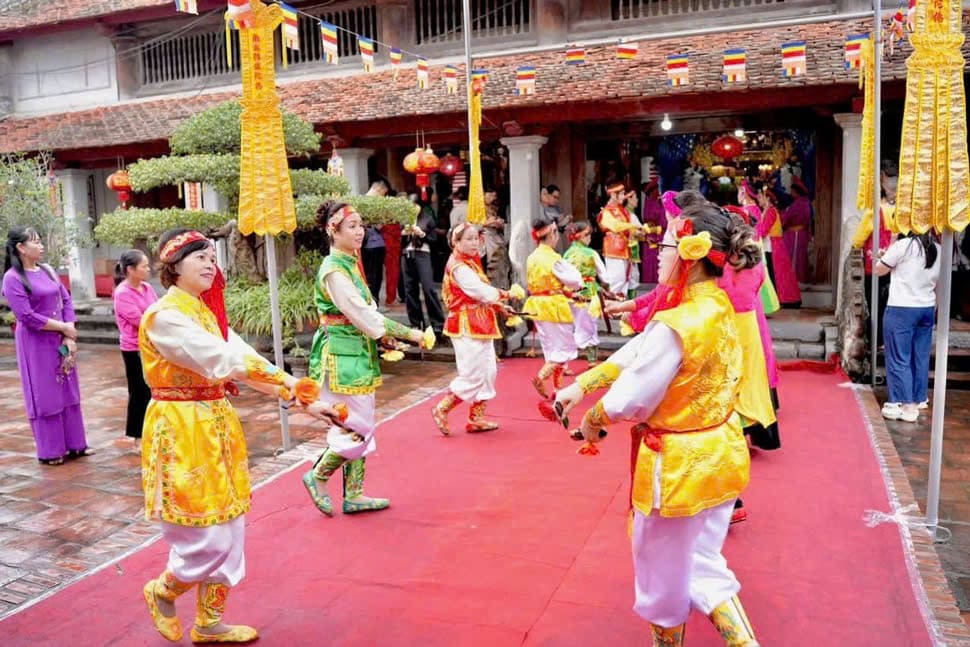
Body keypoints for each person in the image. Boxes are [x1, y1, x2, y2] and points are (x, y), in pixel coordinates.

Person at [554, 200, 762, 646]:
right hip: (721, 455)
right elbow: (640, 354)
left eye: (666, 244)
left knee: (662, 580)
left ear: (689, 251)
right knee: (704, 563)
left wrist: (592, 419)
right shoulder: (716, 305)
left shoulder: (677, 321)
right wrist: (583, 385)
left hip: (677, 470)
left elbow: (633, 394)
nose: (659, 254)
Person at [139, 228, 311, 644]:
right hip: (181, 429)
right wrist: (287, 380)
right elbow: (223, 359)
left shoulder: (206, 313)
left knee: (230, 530)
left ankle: (209, 623)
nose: (209, 263)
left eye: (212, 256)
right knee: (205, 535)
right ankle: (163, 589)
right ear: (173, 267)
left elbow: (245, 359)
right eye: (198, 256)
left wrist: (297, 394)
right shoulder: (165, 317)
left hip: (216, 424)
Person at [303, 201, 434, 516]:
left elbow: (366, 316)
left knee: (356, 420)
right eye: (352, 226)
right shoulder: (335, 270)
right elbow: (364, 315)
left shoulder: (348, 264)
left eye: (361, 225)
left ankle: (354, 494)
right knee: (357, 424)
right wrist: (413, 334)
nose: (360, 231)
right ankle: (318, 474)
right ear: (332, 231)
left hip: (353, 350)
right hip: (342, 355)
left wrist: (383, 335)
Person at [2, 227, 91, 466]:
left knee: (68, 388)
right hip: (37, 342)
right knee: (46, 393)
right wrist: (62, 328)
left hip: (61, 337)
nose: (41, 246)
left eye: (40, 241)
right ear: (21, 248)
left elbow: (67, 300)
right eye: (35, 242)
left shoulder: (48, 270)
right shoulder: (12, 278)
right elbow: (27, 316)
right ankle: (51, 450)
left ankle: (76, 444)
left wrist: (69, 334)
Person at [432, 223, 512, 434]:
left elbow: (481, 294)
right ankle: (442, 408)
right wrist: (505, 295)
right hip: (466, 323)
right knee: (473, 373)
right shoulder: (458, 266)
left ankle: (476, 417)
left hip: (480, 321)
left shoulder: (471, 263)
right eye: (468, 239)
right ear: (455, 242)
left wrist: (499, 306)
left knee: (488, 371)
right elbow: (479, 291)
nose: (474, 242)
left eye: (476, 238)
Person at [876, 232, 941, 422]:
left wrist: (892, 244)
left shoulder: (903, 245)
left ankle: (905, 404)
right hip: (926, 306)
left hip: (902, 307)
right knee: (920, 356)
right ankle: (919, 397)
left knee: (898, 356)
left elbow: (880, 270)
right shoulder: (939, 249)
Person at [522, 213, 583, 399]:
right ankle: (541, 377)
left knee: (552, 349)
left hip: (538, 306)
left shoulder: (532, 257)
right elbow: (575, 280)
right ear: (553, 234)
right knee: (563, 349)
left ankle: (558, 389)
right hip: (554, 306)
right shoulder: (553, 258)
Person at [112, 249, 158, 442]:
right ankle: (138, 436)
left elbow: (158, 309)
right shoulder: (122, 293)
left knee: (153, 390)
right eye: (144, 266)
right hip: (134, 349)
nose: (148, 269)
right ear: (130, 270)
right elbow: (139, 320)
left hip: (152, 345)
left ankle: (153, 432)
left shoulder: (147, 288)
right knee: (139, 391)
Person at [563, 222, 610, 366]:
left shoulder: (566, 254)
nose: (590, 237)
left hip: (569, 293)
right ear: (580, 236)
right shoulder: (591, 253)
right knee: (590, 326)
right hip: (588, 291)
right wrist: (605, 288)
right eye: (587, 234)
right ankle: (592, 360)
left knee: (570, 326)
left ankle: (564, 364)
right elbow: (605, 277)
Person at [402, 192, 446, 336]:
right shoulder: (404, 220)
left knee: (428, 288)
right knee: (410, 289)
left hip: (423, 254)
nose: (413, 208)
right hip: (407, 254)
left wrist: (422, 234)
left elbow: (435, 240)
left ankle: (438, 322)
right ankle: (416, 323)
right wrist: (403, 234)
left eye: (415, 205)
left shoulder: (427, 219)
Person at [755, 185, 801, 308]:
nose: (758, 199)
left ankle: (782, 299)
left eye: (761, 197)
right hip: (773, 245)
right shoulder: (768, 211)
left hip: (773, 246)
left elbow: (763, 231)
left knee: (776, 274)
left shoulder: (770, 211)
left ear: (767, 198)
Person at [598, 183, 640, 298]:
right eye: (621, 194)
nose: (623, 196)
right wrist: (632, 226)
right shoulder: (606, 212)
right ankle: (611, 307)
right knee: (617, 279)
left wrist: (638, 230)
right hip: (614, 249)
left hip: (625, 248)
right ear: (612, 194)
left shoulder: (622, 210)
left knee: (627, 280)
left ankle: (620, 309)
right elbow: (615, 226)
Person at [782, 177, 813, 283]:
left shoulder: (797, 204)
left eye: (792, 191)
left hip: (794, 235)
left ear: (796, 192)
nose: (790, 193)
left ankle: (794, 280)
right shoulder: (805, 203)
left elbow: (786, 218)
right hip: (802, 234)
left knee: (794, 258)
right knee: (801, 258)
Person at [640, 180, 665, 284]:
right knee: (652, 260)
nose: (658, 192)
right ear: (651, 191)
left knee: (655, 259)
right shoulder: (652, 203)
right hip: (654, 236)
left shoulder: (655, 202)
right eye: (656, 189)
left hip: (656, 235)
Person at [540, 184, 572, 252]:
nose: (556, 200)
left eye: (558, 198)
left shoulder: (556, 209)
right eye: (554, 197)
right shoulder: (540, 209)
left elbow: (561, 227)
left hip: (557, 240)